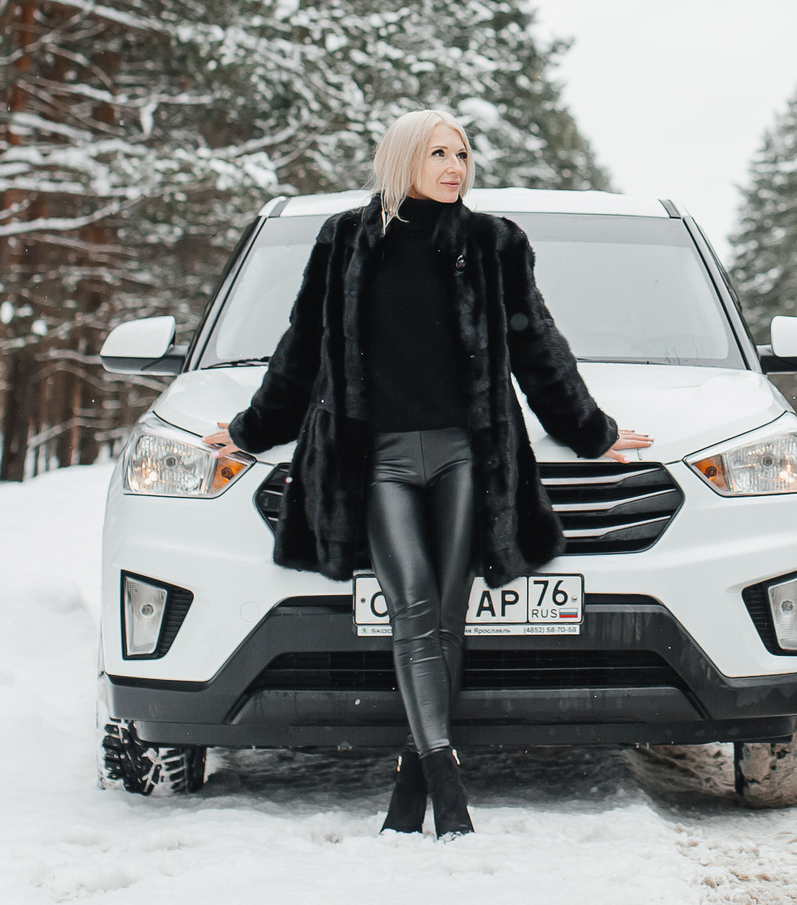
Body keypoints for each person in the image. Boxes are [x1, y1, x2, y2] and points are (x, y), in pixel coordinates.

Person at [204, 110, 651, 837]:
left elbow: (538, 346)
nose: (454, 165)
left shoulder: (492, 242)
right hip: (376, 462)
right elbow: (301, 351)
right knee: (412, 608)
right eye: (439, 152)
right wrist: (250, 428)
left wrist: (592, 431)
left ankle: (413, 785)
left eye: (463, 153)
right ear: (403, 158)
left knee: (446, 616)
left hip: (462, 457)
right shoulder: (346, 241)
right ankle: (447, 781)